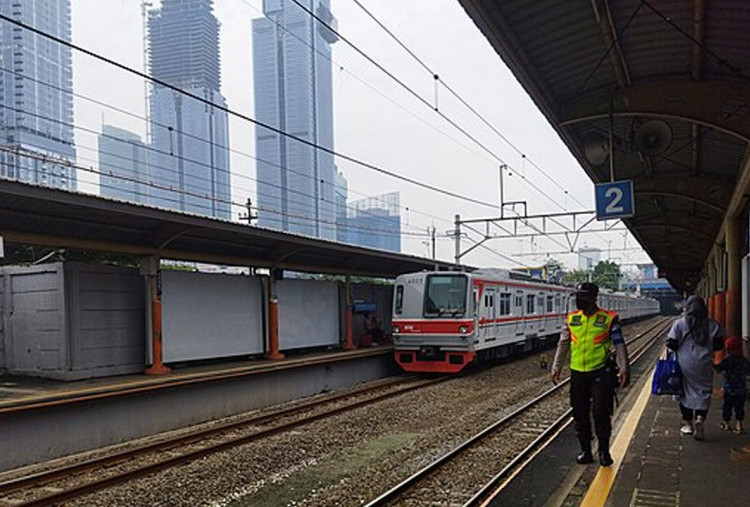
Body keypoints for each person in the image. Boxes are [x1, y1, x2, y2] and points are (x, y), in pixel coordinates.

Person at [551, 282, 630, 467]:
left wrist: (624, 368)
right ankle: (586, 450)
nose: (580, 300)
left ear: (594, 297)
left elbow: (619, 344)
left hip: (600, 373)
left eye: (584, 296)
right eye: (578, 296)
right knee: (580, 414)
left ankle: (603, 451)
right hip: (578, 374)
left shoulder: (608, 318)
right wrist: (556, 367)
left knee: (601, 413)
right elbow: (563, 344)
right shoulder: (572, 319)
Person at [666, 294, 724, 441]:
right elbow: (719, 346)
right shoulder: (713, 325)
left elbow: (671, 344)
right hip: (704, 364)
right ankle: (700, 418)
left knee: (683, 393)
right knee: (704, 391)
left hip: (684, 364)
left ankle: (688, 425)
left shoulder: (680, 323)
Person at [715, 337, 749, 434]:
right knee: (739, 407)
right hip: (741, 389)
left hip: (728, 388)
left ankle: (726, 423)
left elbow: (718, 368)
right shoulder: (744, 361)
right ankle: (739, 424)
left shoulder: (727, 361)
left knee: (727, 407)